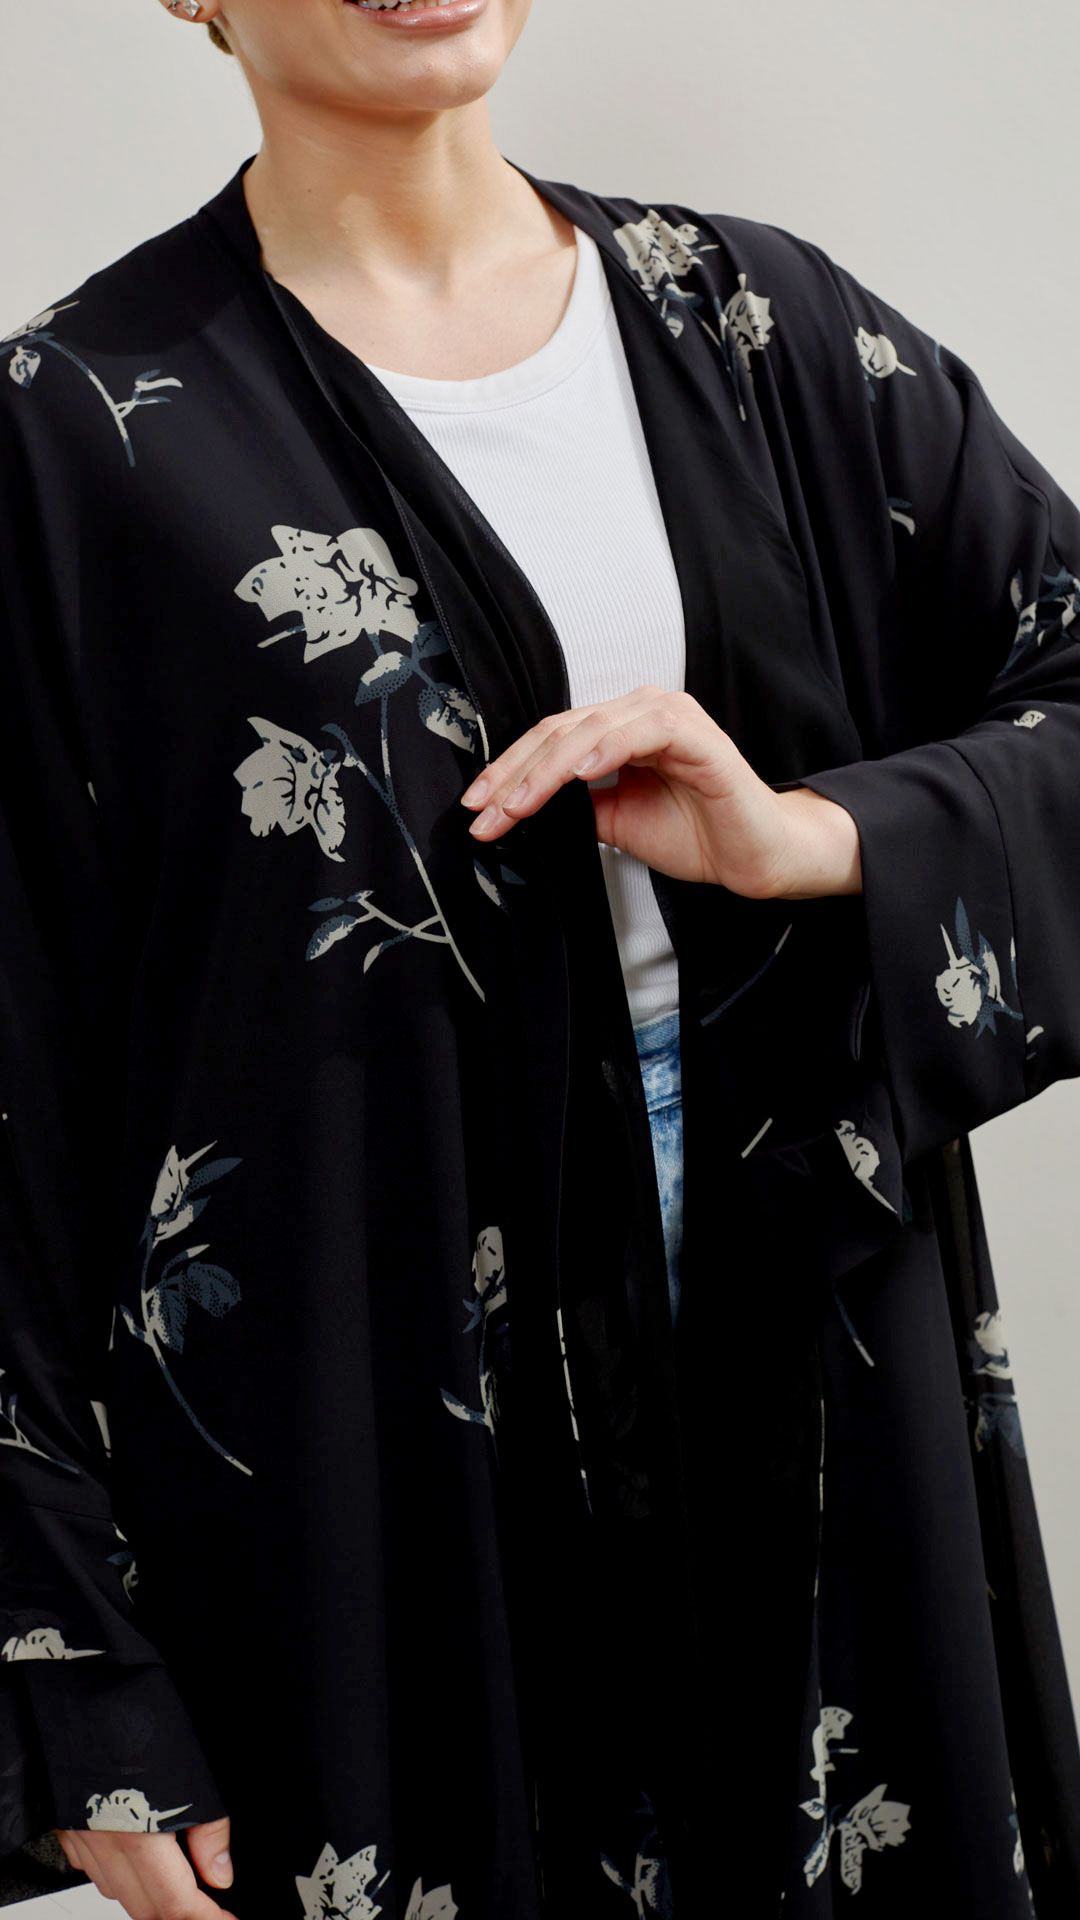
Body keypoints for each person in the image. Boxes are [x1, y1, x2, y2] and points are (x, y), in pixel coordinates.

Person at [2, 0, 1079, 1914]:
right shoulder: (78, 429)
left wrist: (816, 837)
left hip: (799, 1320)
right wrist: (72, 1665)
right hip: (355, 1376)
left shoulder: (755, 330)